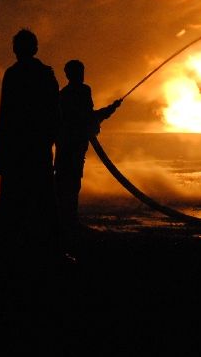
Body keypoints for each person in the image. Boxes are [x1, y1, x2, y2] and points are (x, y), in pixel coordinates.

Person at [0, 29, 61, 259]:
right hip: (38, 146)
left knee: (10, 198)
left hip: (14, 147)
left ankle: (6, 249)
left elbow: (6, 113)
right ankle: (48, 249)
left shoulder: (12, 74)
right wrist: (50, 137)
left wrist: (1, 145)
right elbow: (54, 111)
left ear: (15, 49)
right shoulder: (45, 75)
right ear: (35, 48)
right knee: (44, 198)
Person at [55, 60, 121, 255]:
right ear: (72, 74)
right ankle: (68, 223)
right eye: (79, 72)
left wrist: (110, 109)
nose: (82, 75)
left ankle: (66, 221)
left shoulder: (64, 95)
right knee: (70, 183)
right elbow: (88, 117)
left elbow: (88, 117)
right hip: (72, 145)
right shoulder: (81, 92)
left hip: (67, 145)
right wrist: (110, 110)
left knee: (67, 182)